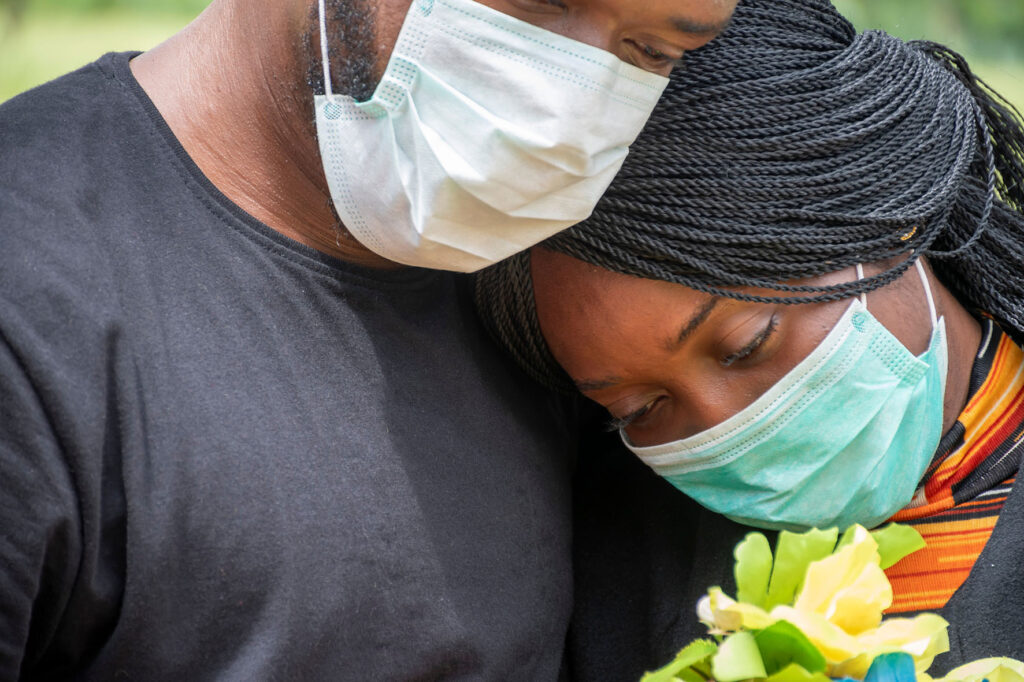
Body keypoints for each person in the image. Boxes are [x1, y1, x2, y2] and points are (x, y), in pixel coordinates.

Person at [0, 0, 739, 677]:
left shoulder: (560, 298)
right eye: (536, 5)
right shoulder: (33, 294)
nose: (564, 105)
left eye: (653, 52)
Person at [475, 0, 1024, 676]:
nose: (728, 428)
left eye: (746, 345)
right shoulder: (602, 569)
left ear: (887, 215)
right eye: (641, 410)